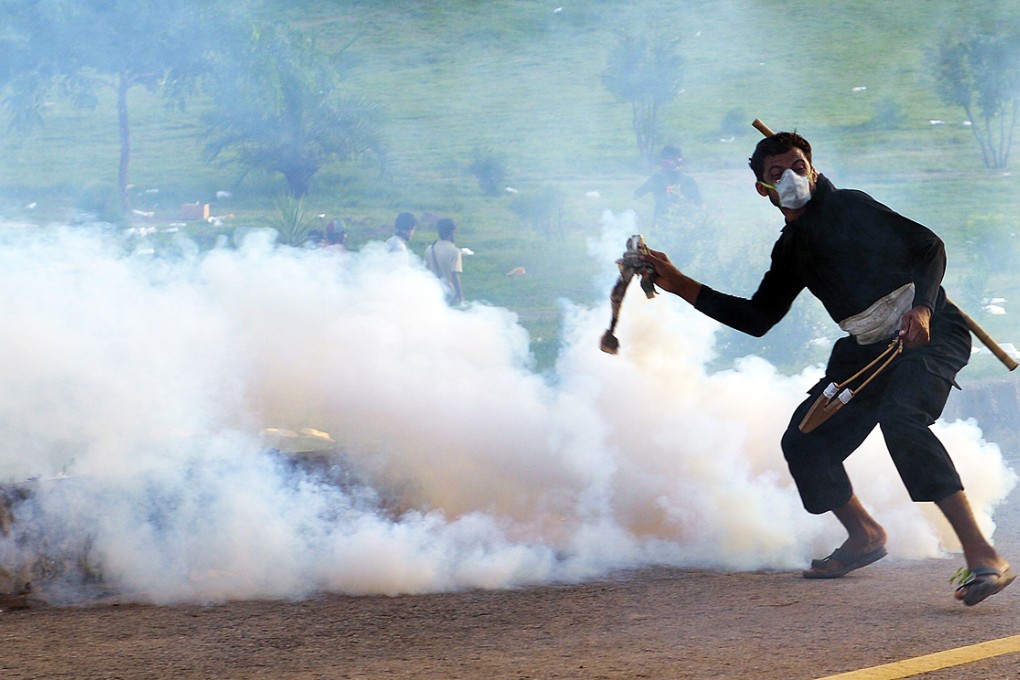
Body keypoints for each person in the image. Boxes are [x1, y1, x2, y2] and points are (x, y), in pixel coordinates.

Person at [640, 130, 1014, 606]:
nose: (791, 177)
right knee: (804, 442)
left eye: (798, 166)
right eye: (777, 173)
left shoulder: (851, 206)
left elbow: (929, 248)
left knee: (903, 419)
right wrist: (678, 284)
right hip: (865, 350)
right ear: (764, 190)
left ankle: (985, 557)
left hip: (931, 332)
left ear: (813, 170)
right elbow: (758, 318)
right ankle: (865, 535)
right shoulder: (791, 249)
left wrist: (921, 309)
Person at [633, 145, 702, 230]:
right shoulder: (689, 180)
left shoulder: (656, 179)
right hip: (682, 225)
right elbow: (700, 204)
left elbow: (636, 195)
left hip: (665, 224)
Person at [424, 217, 464, 305]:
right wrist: (461, 298)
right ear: (452, 232)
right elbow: (455, 276)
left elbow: (426, 272)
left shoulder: (430, 249)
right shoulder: (455, 252)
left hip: (432, 291)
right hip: (448, 293)